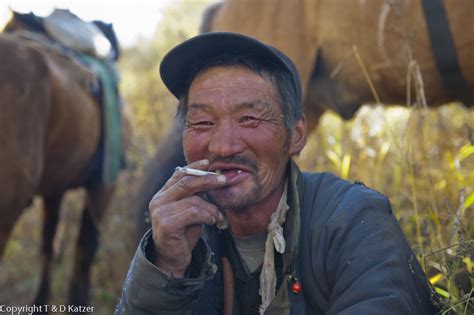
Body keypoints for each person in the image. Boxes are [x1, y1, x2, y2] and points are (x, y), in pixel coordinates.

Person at [116, 32, 439, 314]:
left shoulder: (352, 218)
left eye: (249, 119)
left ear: (296, 135)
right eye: (202, 123)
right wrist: (166, 267)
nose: (223, 146)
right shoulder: (182, 233)